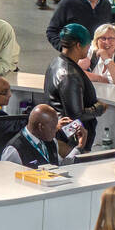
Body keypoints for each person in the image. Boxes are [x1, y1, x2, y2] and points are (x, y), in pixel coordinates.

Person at [45, 21, 106, 149]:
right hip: (71, 140)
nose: (89, 48)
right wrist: (98, 108)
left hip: (63, 134)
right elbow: (76, 116)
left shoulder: (56, 62)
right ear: (78, 45)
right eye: (88, 45)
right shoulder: (69, 75)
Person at [47, 0, 113, 50]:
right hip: (74, 56)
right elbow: (52, 31)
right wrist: (65, 50)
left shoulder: (106, 6)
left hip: (97, 55)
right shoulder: (68, 3)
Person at [0, 103, 85, 166]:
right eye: (52, 127)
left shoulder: (52, 141)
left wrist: (79, 147)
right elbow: (7, 182)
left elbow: (60, 166)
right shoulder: (14, 150)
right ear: (41, 127)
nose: (56, 130)